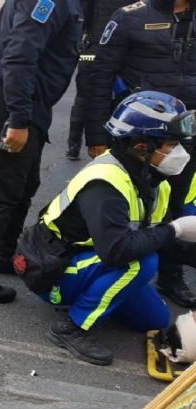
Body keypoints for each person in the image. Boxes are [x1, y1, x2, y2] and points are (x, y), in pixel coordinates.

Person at [27, 92, 196, 365]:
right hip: (53, 271)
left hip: (90, 259)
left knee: (155, 320)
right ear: (141, 146)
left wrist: (178, 238)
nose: (179, 153)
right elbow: (117, 251)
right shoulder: (105, 182)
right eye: (171, 145)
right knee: (140, 263)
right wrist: (175, 229)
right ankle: (71, 327)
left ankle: (101, 294)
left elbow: (156, 236)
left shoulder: (151, 179)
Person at [0, 0, 84, 303]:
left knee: (24, 187)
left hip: (23, 105)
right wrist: (19, 118)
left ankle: (3, 254)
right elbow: (20, 55)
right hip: (9, 106)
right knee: (2, 196)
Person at [85, 0, 196, 308]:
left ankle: (170, 275)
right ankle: (105, 270)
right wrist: (95, 135)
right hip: (141, 138)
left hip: (187, 133)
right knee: (124, 206)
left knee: (175, 204)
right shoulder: (129, 17)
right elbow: (99, 76)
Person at [63, 0, 133, 161]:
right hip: (124, 50)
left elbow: (83, 14)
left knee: (84, 97)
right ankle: (114, 145)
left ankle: (73, 145)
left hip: (93, 48)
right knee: (121, 98)